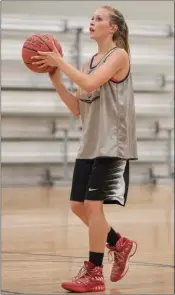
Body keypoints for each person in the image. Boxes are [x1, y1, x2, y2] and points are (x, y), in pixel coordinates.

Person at [32, 5, 138, 293]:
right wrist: (55, 77)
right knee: (77, 206)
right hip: (89, 145)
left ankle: (94, 273)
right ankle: (119, 243)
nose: (92, 22)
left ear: (113, 27)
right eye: (91, 18)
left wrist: (60, 62)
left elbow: (90, 83)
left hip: (112, 145)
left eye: (99, 18)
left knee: (93, 207)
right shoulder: (89, 61)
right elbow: (78, 107)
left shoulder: (118, 56)